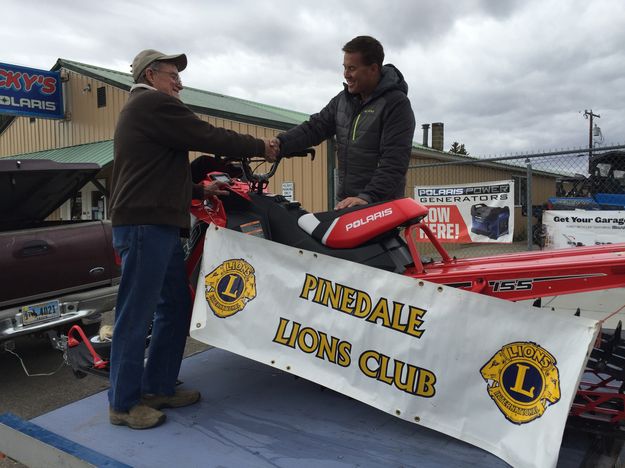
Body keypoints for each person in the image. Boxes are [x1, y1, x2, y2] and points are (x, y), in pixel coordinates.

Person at [107, 49, 279, 430]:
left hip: (158, 225)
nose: (179, 83)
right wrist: (260, 146)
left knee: (175, 305)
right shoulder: (152, 104)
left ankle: (158, 387)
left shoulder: (149, 113)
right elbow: (207, 134)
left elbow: (158, 173)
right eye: (173, 75)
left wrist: (201, 192)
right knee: (136, 313)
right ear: (151, 75)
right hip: (143, 226)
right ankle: (122, 403)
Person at [274, 36, 415, 209]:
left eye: (352, 68)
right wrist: (280, 143)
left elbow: (394, 161)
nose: (346, 74)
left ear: (373, 69)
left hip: (379, 206)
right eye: (345, 68)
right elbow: (315, 127)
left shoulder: (396, 104)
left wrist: (368, 197)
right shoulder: (343, 101)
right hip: (348, 204)